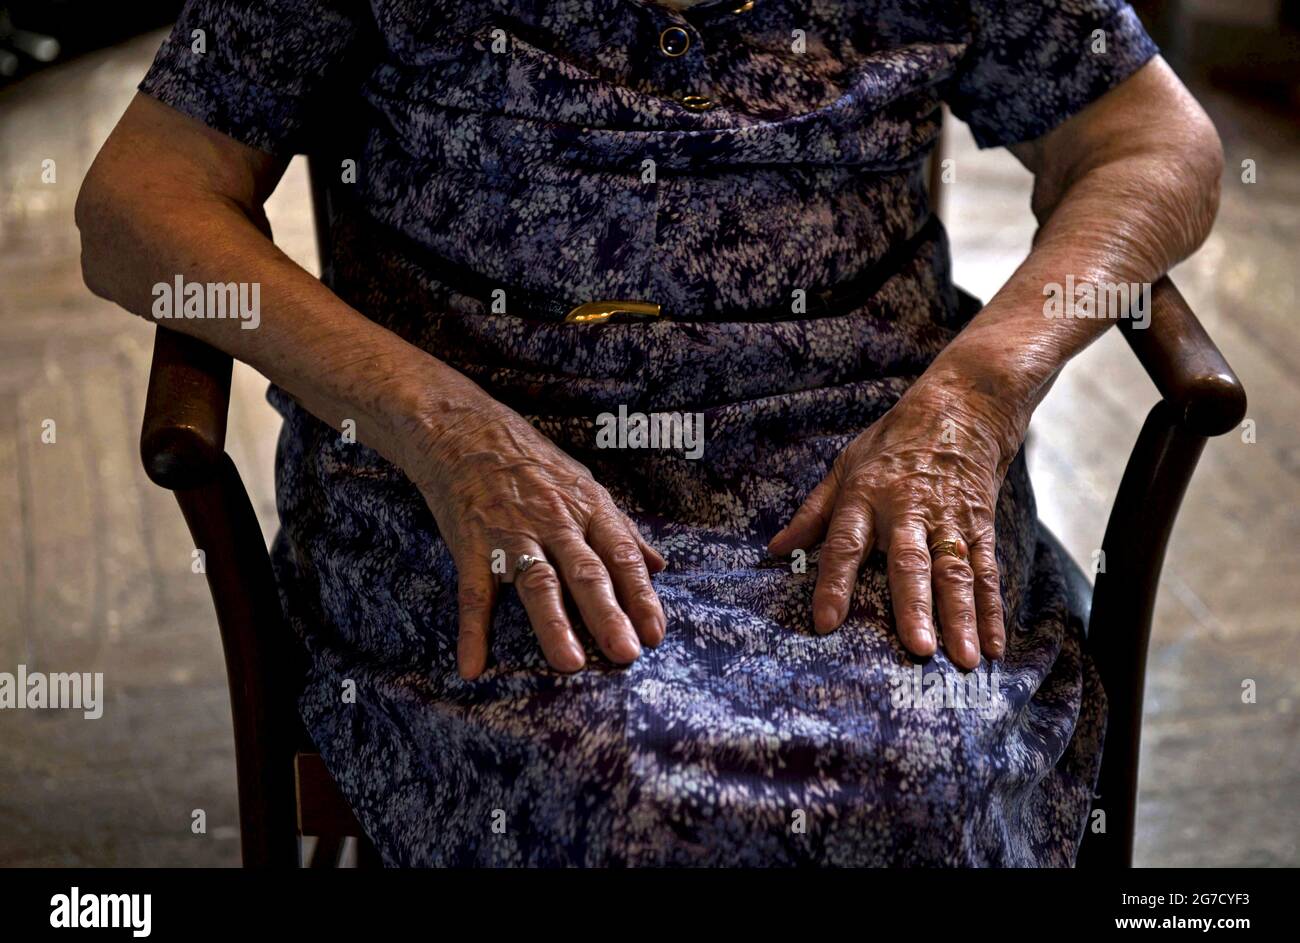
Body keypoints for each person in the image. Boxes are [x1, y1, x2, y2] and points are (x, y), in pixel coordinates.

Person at [76, 0, 1223, 865]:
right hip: (472, 457)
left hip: (856, 459)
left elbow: (1151, 144)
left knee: (932, 769)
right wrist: (426, 415)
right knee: (625, 783)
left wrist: (977, 392)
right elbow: (140, 200)